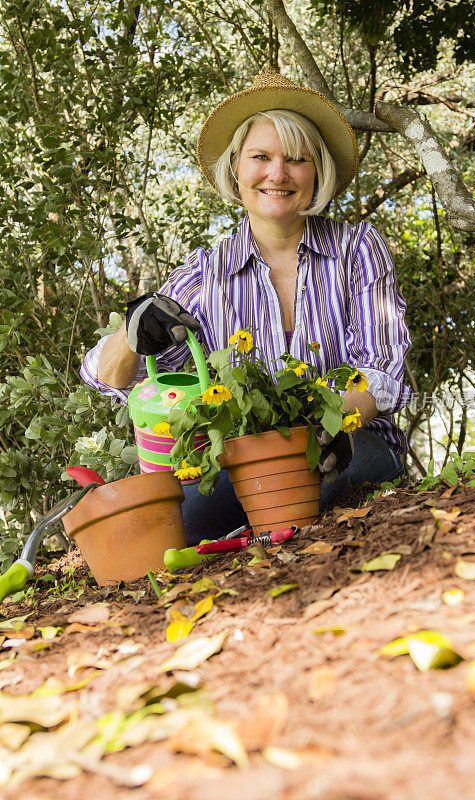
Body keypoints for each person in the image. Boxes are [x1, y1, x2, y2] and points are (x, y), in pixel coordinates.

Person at [81, 69, 412, 544]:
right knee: (178, 529)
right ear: (237, 168)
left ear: (316, 172)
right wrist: (135, 329)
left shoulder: (357, 248)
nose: (278, 174)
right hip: (250, 468)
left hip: (350, 448)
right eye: (261, 157)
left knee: (345, 477)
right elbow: (108, 378)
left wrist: (329, 421)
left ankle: (264, 535)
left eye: (296, 160)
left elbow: (383, 373)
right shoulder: (204, 273)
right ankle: (256, 538)